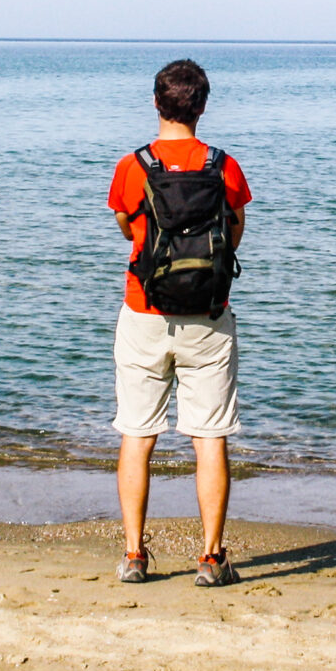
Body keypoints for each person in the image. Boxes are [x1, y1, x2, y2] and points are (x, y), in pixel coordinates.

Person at [106, 58, 252, 586]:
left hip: (145, 311)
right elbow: (234, 235)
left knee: (137, 434)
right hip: (209, 317)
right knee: (209, 437)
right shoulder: (224, 166)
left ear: (155, 103)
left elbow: (127, 229)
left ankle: (134, 556)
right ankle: (212, 558)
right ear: (203, 106)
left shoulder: (132, 166)